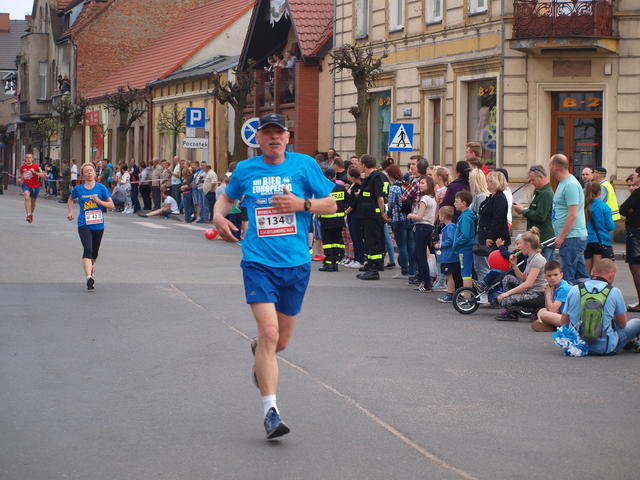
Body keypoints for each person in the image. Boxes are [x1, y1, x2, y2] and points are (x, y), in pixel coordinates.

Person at [213, 113, 336, 439]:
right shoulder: (245, 170)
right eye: (267, 133)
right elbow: (226, 198)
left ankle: (261, 353)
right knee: (269, 332)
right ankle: (271, 412)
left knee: (280, 342)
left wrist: (302, 204)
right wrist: (217, 216)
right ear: (258, 139)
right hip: (258, 262)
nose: (274, 138)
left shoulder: (304, 165)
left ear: (287, 137)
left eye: (279, 133)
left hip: (296, 264)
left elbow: (332, 205)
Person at [561, 259, 640, 355]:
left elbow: (564, 322)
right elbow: (623, 324)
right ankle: (635, 342)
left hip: (576, 347)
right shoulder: (614, 291)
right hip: (603, 347)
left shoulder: (574, 289)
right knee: (637, 323)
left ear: (592, 273)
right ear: (612, 275)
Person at [67, 163, 114, 290]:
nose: (89, 173)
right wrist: (70, 212)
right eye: (86, 171)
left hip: (98, 224)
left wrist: (100, 202)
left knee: (94, 252)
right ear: (83, 175)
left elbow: (112, 205)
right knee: (87, 249)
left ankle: (90, 268)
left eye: (91, 170)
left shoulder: (101, 188)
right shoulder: (78, 189)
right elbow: (70, 199)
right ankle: (89, 277)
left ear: (95, 173)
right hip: (84, 224)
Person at [549, 154, 589, 284]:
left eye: (550, 165)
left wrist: (561, 237)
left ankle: (568, 298)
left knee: (567, 277)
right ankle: (587, 296)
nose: (549, 168)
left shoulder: (570, 185)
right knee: (580, 277)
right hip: (571, 237)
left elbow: (572, 215)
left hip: (572, 237)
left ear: (556, 166)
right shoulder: (563, 183)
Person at [495, 227, 547, 321]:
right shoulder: (530, 258)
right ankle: (513, 313)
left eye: (521, 243)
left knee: (506, 300)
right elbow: (523, 278)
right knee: (507, 278)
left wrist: (506, 294)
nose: (519, 247)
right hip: (531, 291)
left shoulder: (537, 259)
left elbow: (528, 284)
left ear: (527, 245)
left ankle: (536, 310)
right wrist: (514, 265)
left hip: (538, 295)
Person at [356, 154, 390, 280]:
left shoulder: (376, 177)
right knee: (370, 242)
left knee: (374, 242)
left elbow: (380, 197)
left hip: (373, 216)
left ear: (364, 165)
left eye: (360, 163)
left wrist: (382, 213)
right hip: (368, 215)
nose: (359, 166)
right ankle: (371, 265)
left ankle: (374, 270)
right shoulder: (372, 177)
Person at [513, 165, 555, 260]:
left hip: (543, 239)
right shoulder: (539, 192)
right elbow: (536, 211)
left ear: (541, 177)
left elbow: (540, 216)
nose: (531, 183)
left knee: (540, 267)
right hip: (539, 239)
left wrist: (523, 211)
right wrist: (524, 209)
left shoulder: (546, 193)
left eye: (533, 180)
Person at [476, 171, 511, 280]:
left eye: (490, 181)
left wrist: (490, 237)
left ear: (496, 182)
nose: (487, 183)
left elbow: (498, 220)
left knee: (495, 266)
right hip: (486, 234)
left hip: (496, 238)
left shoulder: (499, 198)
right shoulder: (492, 197)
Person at [407, 176, 437, 292]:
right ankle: (425, 280)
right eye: (420, 183)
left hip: (421, 227)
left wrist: (411, 215)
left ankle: (426, 282)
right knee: (422, 255)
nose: (420, 185)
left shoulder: (424, 198)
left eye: (423, 183)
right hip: (429, 227)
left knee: (420, 256)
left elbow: (419, 216)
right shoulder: (433, 198)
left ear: (429, 185)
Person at [386, 164, 415, 279]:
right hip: (408, 218)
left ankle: (404, 271)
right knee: (410, 246)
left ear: (391, 175)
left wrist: (388, 213)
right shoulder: (405, 185)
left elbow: (391, 204)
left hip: (398, 219)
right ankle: (412, 270)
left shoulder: (394, 188)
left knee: (402, 246)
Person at [531, 260, 572, 332]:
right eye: (549, 276)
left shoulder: (564, 288)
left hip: (571, 320)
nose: (552, 278)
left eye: (555, 275)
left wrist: (548, 294)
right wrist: (548, 294)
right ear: (545, 277)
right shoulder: (553, 287)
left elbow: (552, 311)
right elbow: (548, 308)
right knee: (542, 310)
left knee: (544, 314)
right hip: (561, 315)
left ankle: (550, 326)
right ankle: (548, 326)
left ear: (561, 275)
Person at [584, 181, 616, 274]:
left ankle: (586, 283)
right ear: (600, 192)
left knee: (587, 271)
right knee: (597, 271)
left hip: (587, 240)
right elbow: (610, 226)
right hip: (601, 240)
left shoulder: (585, 206)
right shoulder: (604, 206)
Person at [619, 173, 640, 311]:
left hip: (635, 233)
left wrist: (632, 211)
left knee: (636, 267)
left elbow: (623, 209)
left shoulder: (637, 193)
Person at [318, 169, 346, 271]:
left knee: (328, 243)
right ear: (334, 176)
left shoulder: (322, 189)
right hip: (338, 221)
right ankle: (335, 263)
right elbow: (348, 202)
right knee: (337, 241)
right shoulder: (341, 188)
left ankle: (329, 263)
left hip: (326, 220)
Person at [435, 206, 460, 303]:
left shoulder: (450, 227)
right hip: (448, 256)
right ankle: (452, 293)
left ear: (443, 216)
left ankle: (450, 294)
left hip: (449, 256)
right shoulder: (449, 227)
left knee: (449, 276)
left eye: (439, 215)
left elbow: (450, 240)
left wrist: (440, 245)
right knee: (450, 276)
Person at [453, 190, 476, 289]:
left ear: (463, 203)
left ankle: (467, 295)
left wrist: (456, 243)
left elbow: (465, 235)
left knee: (465, 273)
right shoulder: (466, 215)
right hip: (466, 248)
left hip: (464, 248)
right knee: (466, 272)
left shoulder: (466, 216)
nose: (454, 203)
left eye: (456, 201)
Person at [344, 166, 365, 269]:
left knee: (357, 238)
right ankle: (355, 258)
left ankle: (360, 259)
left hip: (356, 214)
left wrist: (345, 212)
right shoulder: (354, 185)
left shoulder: (359, 186)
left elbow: (354, 203)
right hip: (351, 215)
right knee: (354, 237)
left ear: (352, 177)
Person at [17, 153, 46, 223]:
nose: (28, 159)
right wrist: (19, 179)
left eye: (30, 157)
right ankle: (28, 215)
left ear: (32, 159)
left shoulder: (37, 166)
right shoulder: (23, 167)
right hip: (26, 185)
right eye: (27, 157)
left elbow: (43, 175)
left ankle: (31, 214)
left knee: (33, 201)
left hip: (35, 186)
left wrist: (35, 172)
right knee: (27, 197)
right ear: (25, 159)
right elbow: (20, 175)